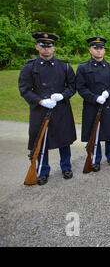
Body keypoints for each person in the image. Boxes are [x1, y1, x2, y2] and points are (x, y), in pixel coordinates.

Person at [18, 32, 77, 185]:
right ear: (37, 47)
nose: (46, 49)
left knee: (64, 140)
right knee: (41, 141)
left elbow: (72, 86)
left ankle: (66, 167)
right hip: (40, 110)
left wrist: (63, 96)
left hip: (61, 109)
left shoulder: (64, 66)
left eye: (49, 46)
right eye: (43, 46)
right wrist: (40, 101)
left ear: (53, 48)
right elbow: (24, 89)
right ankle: (43, 171)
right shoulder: (29, 67)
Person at [76, 37, 110, 171]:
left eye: (101, 48)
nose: (98, 51)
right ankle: (96, 158)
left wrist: (109, 93)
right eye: (95, 48)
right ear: (90, 50)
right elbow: (80, 87)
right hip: (92, 105)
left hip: (108, 104)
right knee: (93, 132)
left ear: (104, 51)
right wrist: (94, 98)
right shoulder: (83, 68)